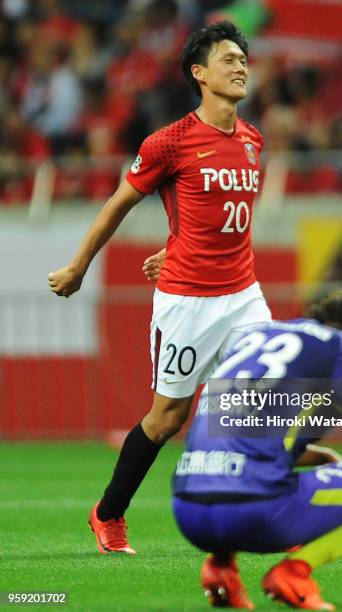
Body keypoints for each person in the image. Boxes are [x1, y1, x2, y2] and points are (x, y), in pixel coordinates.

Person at [48, 21, 272, 554]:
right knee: (167, 417)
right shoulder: (169, 142)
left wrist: (174, 245)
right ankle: (107, 514)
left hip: (244, 294)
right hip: (187, 302)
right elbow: (117, 204)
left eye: (243, 59)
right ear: (199, 73)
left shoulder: (252, 140)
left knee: (262, 404)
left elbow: (220, 216)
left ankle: (263, 518)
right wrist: (78, 268)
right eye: (228, 59)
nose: (240, 66)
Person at [172, 290, 342, 610]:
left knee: (244, 470)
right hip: (252, 515)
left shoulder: (258, 335)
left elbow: (238, 433)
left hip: (188, 512)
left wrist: (314, 455)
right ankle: (295, 573)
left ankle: (221, 568)